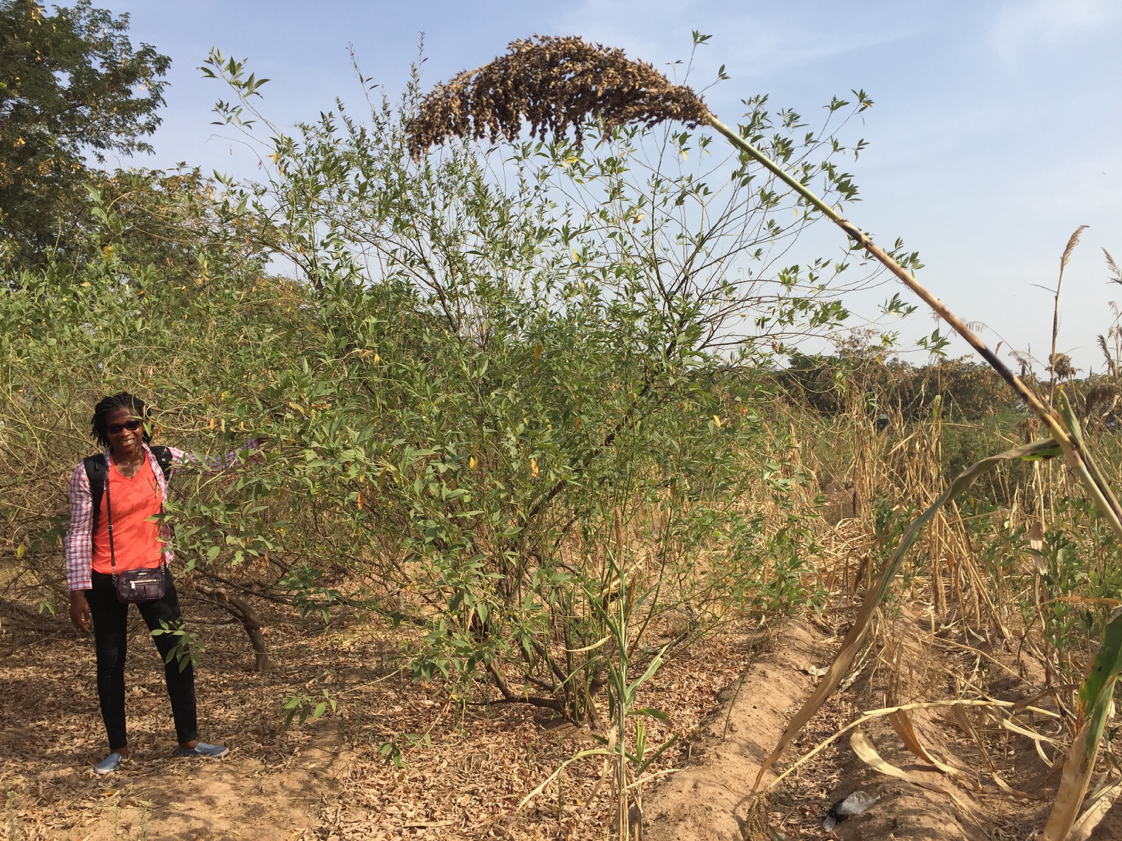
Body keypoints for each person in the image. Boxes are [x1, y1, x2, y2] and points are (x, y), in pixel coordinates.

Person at [66, 392, 257, 774]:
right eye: (115, 427)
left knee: (178, 655)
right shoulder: (89, 472)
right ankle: (117, 749)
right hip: (106, 579)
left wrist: (259, 442)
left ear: (145, 426)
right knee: (110, 663)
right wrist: (77, 593)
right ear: (105, 432)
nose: (125, 432)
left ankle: (188, 740)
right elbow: (77, 534)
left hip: (155, 573)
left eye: (132, 424)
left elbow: (217, 465)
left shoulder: (163, 459)